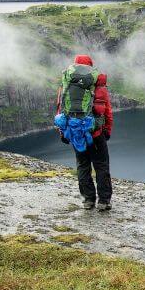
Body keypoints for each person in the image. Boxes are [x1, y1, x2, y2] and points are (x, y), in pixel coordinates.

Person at [56, 54, 114, 211]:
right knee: (101, 165)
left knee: (82, 165)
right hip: (95, 132)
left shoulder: (67, 81)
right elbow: (107, 110)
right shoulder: (96, 83)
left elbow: (60, 108)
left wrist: (63, 131)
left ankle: (88, 200)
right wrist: (107, 130)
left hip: (76, 133)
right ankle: (104, 201)